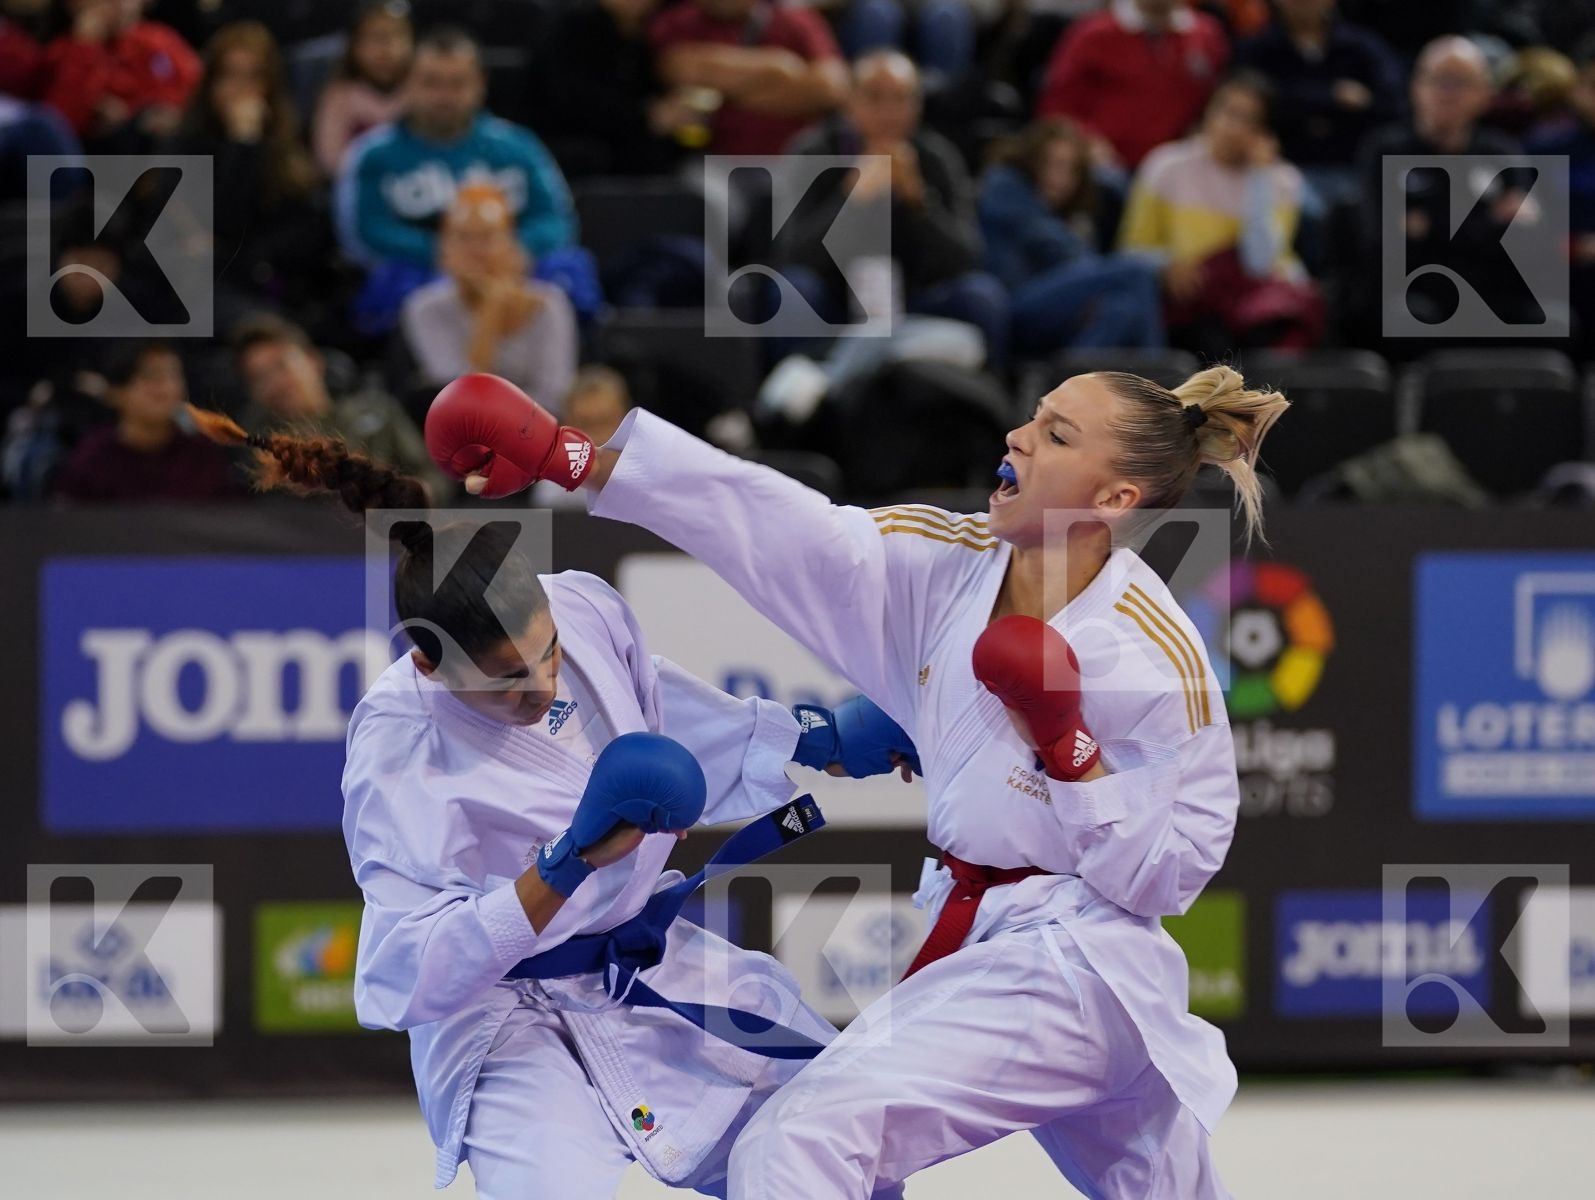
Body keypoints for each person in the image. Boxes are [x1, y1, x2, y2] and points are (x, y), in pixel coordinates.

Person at [426, 356, 1289, 1198]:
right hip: (985, 936)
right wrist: (579, 460)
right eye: (1032, 416)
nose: (1018, 437)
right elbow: (779, 528)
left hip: (1082, 962)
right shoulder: (946, 562)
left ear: (1113, 498)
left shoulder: (1151, 651)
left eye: (1054, 435)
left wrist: (1071, 752)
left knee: (800, 1139)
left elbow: (1173, 873)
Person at [188, 388, 913, 1200]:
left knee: (844, 1146)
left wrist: (810, 740)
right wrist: (561, 867)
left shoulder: (582, 605)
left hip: (647, 967)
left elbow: (657, 715)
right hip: (506, 1021)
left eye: (548, 656)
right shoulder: (397, 744)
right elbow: (404, 970)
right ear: (429, 666)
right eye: (503, 681)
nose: (540, 687)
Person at [776, 50, 1010, 365]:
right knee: (792, 290)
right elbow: (793, 256)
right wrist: (854, 198)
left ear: (917, 106)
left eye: (901, 99)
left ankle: (983, 405)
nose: (889, 112)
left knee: (981, 295)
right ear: (850, 102)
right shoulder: (813, 152)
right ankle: (787, 407)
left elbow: (967, 258)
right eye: (874, 98)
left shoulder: (936, 158)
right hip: (834, 302)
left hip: (914, 302)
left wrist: (919, 202)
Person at [334, 26, 578, 310]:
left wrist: (508, 251)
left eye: (457, 83)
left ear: (481, 84)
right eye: (431, 83)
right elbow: (365, 231)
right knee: (390, 283)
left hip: (512, 273)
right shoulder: (373, 154)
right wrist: (442, 253)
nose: (444, 96)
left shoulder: (518, 147)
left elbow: (556, 219)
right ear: (409, 83)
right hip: (421, 273)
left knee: (569, 271)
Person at [1120, 71, 1323, 354]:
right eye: (1226, 111)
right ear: (1207, 112)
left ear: (1264, 132)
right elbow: (1129, 251)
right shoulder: (1164, 166)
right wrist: (1165, 265)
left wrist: (1259, 179)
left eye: (1248, 120)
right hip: (1190, 304)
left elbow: (1260, 262)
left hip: (1253, 309)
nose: (1232, 127)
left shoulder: (1281, 181)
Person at [1356, 36, 1532, 342]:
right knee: (1407, 317)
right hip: (1412, 289)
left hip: (1490, 288)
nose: (1447, 93)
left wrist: (1428, 226)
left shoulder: (1503, 153)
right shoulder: (1383, 150)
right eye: (1438, 80)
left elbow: (1525, 243)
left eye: (1461, 82)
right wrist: (1487, 223)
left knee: (1551, 319)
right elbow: (1379, 243)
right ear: (1415, 87)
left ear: (1485, 94)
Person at [165, 21, 328, 326]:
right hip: (207, 291)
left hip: (274, 286)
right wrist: (243, 144)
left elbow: (310, 231)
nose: (241, 89)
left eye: (254, 76)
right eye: (229, 75)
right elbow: (223, 224)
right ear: (210, 82)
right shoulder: (183, 146)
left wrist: (257, 257)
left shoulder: (288, 144)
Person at [978, 118, 1166, 353]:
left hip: (1058, 311)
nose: (1061, 178)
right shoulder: (1005, 184)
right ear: (1031, 159)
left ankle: (1068, 379)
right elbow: (1055, 246)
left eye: (1072, 169)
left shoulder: (1075, 215)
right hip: (1013, 306)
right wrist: (1099, 274)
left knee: (1121, 309)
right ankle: (1161, 383)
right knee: (1137, 271)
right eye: (1053, 163)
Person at [230, 312, 448, 500]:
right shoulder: (263, 442)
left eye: (281, 366)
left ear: (313, 360)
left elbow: (431, 474)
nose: (274, 383)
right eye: (258, 378)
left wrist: (413, 493)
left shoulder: (377, 409)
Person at [398, 183, 577, 409]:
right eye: (463, 238)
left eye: (487, 237)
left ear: (511, 244)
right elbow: (460, 396)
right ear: (444, 249)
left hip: (538, 433)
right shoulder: (424, 307)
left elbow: (555, 397)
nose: (475, 251)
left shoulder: (549, 303)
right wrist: (491, 310)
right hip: (463, 436)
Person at [1233, 0, 1402, 208]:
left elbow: (1390, 103)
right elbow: (1256, 103)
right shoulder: (1257, 50)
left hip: (1352, 168)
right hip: (1280, 169)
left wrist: (1300, 100)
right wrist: (1332, 97)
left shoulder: (1362, 48)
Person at [1036, 0, 1230, 170]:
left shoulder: (1207, 37)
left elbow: (1215, 105)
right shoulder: (1093, 34)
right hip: (1103, 166)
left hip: (1176, 170)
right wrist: (1086, 142)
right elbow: (1056, 108)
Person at [649, 0, 849, 157]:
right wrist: (779, 69)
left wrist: (729, 96)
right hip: (713, 162)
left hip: (794, 161)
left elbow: (832, 88)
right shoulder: (676, 23)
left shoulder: (797, 20)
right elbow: (679, 67)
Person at [52, 341, 241, 503]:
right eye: (152, 377)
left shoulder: (202, 456)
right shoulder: (92, 460)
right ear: (116, 393)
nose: (167, 388)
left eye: (173, 376)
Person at [526, 0, 689, 178]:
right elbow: (572, 103)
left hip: (629, 139)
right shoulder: (573, 29)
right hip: (568, 139)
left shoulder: (654, 32)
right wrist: (646, 118)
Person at [37, 0, 199, 149]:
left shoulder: (159, 40)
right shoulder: (64, 53)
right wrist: (86, 45)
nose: (123, 4)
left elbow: (200, 93)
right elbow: (59, 128)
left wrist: (135, 115)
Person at [311, 0, 414, 177]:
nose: (386, 49)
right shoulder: (339, 96)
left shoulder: (422, 91)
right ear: (354, 47)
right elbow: (330, 160)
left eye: (395, 36)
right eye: (375, 38)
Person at [529, 366, 634, 509]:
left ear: (625, 417)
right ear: (568, 426)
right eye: (586, 424)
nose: (597, 436)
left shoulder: (652, 469)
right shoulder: (553, 483)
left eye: (605, 421)